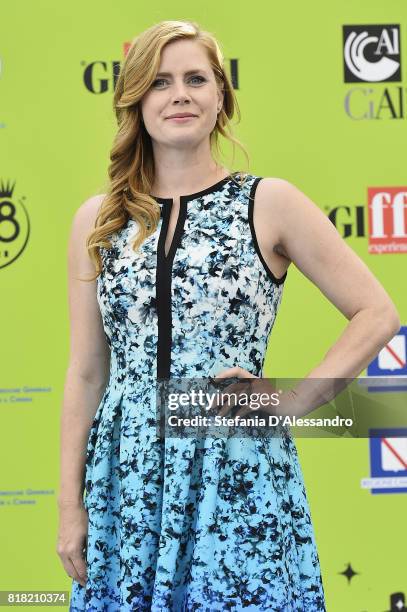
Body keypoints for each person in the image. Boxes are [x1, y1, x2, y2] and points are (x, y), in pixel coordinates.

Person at [56, 19, 400, 612]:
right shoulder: (98, 219)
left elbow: (377, 311)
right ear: (136, 101)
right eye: (160, 82)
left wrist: (293, 400)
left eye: (196, 79)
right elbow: (88, 372)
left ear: (222, 97)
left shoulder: (270, 202)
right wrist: (70, 504)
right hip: (125, 475)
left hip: (233, 466)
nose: (180, 94)